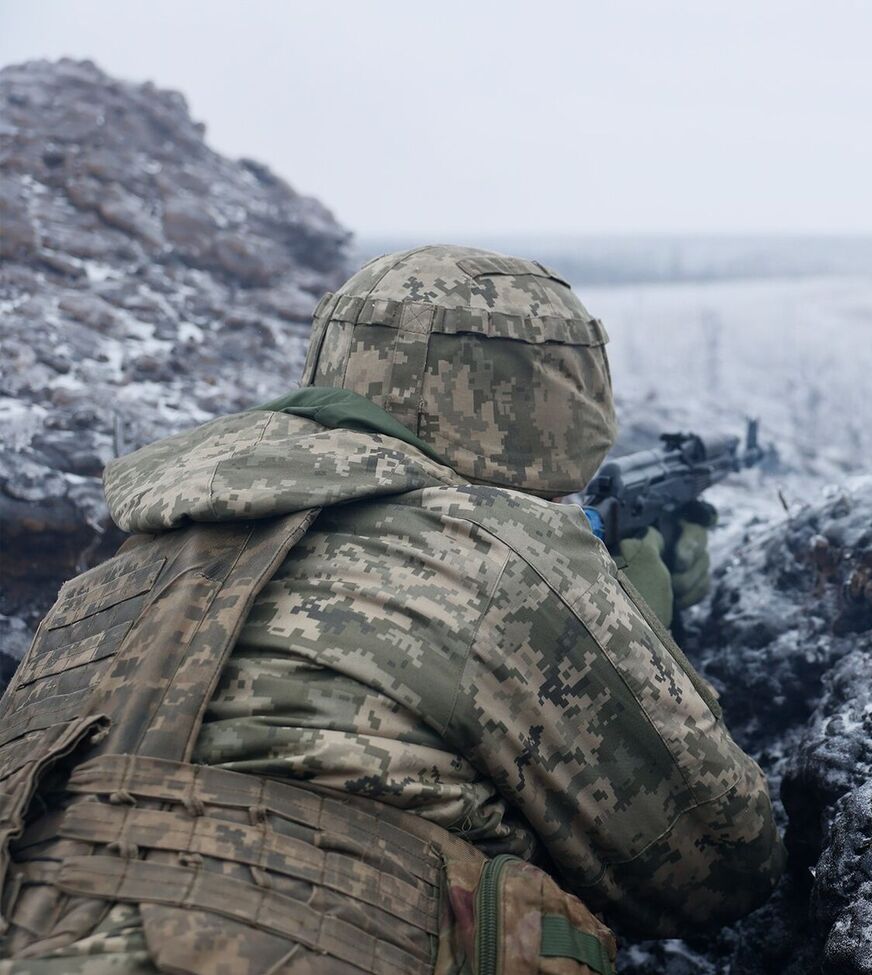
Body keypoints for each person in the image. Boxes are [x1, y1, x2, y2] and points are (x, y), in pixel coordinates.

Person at [0, 245, 785, 974]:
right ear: (549, 395)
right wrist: (642, 626)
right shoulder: (497, 548)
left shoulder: (109, 580)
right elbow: (718, 866)